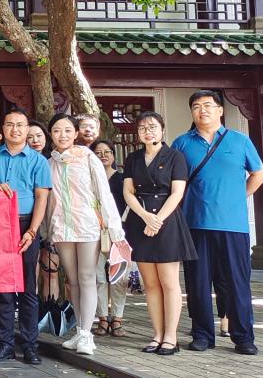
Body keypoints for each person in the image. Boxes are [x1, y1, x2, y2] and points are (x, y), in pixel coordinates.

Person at [172, 90, 263, 355]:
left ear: (220, 110)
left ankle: (243, 337)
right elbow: (173, 182)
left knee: (237, 282)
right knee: (198, 283)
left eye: (208, 105)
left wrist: (237, 197)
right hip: (195, 223)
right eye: (196, 106)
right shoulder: (182, 143)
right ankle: (202, 335)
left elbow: (259, 174)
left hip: (233, 225)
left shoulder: (240, 140)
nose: (202, 110)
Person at [45, 114, 126, 356]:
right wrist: (46, 230)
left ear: (76, 133)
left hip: (88, 224)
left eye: (67, 130)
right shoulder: (49, 163)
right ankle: (81, 330)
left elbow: (104, 193)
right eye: (57, 130)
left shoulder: (88, 157)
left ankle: (87, 336)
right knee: (73, 281)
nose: (62, 135)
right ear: (51, 134)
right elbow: (48, 200)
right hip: (61, 227)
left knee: (87, 276)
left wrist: (115, 229)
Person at [0, 107, 51, 365]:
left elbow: (42, 197)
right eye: (10, 124)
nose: (15, 129)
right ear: (3, 129)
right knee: (3, 289)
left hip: (25, 225)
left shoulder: (38, 161)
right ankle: (5, 344)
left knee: (27, 288)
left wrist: (32, 231)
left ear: (27, 130)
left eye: (20, 125)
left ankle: (30, 346)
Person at [123, 111, 197, 356]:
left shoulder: (175, 156)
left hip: (167, 221)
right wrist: (145, 217)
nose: (148, 131)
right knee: (151, 284)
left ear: (162, 130)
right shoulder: (133, 158)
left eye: (152, 127)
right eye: (142, 128)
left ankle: (171, 337)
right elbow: (128, 192)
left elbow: (177, 193)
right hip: (140, 220)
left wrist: (157, 220)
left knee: (169, 283)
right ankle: (157, 334)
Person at [90, 139, 129, 338]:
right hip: (94, 233)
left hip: (119, 234)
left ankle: (118, 318)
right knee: (98, 277)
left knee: (119, 278)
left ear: (113, 155)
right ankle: (103, 318)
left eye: (107, 152)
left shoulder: (122, 179)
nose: (103, 155)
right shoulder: (88, 180)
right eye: (98, 152)